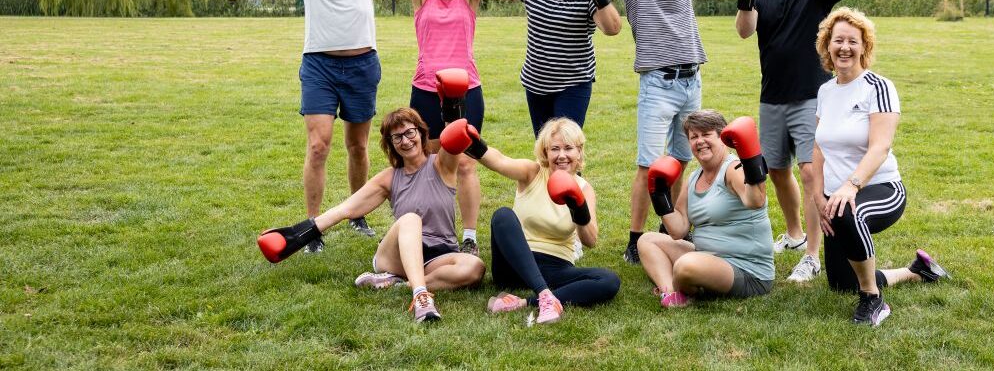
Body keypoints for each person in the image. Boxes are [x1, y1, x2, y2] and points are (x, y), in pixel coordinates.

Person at [576, 0, 768, 264]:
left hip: (691, 81)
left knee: (684, 157)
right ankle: (633, 238)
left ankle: (670, 226)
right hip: (658, 84)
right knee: (649, 165)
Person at [237, 0, 384, 252]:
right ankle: (314, 228)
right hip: (319, 64)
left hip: (360, 63)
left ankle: (357, 216)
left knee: (357, 145)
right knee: (318, 144)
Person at [732, 0, 860, 283]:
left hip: (810, 95)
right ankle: (792, 234)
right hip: (772, 95)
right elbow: (744, 30)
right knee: (776, 170)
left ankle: (812, 255)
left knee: (810, 173)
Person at [256, 107, 487, 323]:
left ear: (421, 132)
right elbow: (346, 209)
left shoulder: (442, 165)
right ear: (390, 144)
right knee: (410, 219)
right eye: (397, 137)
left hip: (439, 256)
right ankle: (420, 297)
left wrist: (453, 105)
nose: (406, 141)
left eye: (409, 132)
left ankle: (400, 284)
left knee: (475, 267)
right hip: (396, 255)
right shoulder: (389, 178)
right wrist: (295, 237)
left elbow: (455, 135)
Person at [811, 7, 950, 326]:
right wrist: (819, 197)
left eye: (852, 41)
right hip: (835, 198)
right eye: (837, 40)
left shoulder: (878, 87)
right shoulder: (825, 91)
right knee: (840, 283)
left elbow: (880, 146)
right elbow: (818, 147)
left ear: (864, 47)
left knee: (849, 212)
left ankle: (873, 300)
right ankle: (916, 271)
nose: (844, 47)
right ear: (827, 45)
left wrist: (851, 185)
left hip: (881, 189)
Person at [439, 117, 621, 325]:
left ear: (579, 152)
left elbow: (590, 240)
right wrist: (474, 144)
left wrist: (577, 206)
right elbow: (499, 161)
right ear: (545, 152)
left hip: (556, 267)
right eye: (555, 149)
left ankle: (526, 302)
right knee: (503, 215)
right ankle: (545, 295)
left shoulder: (584, 189)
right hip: (514, 264)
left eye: (568, 148)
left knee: (608, 280)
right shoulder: (532, 172)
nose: (562, 155)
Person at [392, 0, 488, 256]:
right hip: (427, 90)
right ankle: (433, 233)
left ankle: (468, 237)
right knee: (430, 163)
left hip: (466, 89)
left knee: (464, 163)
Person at [492, 0, 622, 136]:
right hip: (536, 81)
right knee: (544, 147)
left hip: (573, 84)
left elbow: (613, 28)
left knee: (564, 144)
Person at [636, 110, 775, 306]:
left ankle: (682, 282)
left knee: (685, 265)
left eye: (706, 134)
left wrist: (752, 163)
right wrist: (659, 196)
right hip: (706, 257)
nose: (699, 141)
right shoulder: (694, 177)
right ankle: (670, 293)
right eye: (694, 137)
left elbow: (755, 200)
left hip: (746, 270)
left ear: (721, 138)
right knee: (647, 240)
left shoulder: (733, 169)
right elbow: (678, 230)